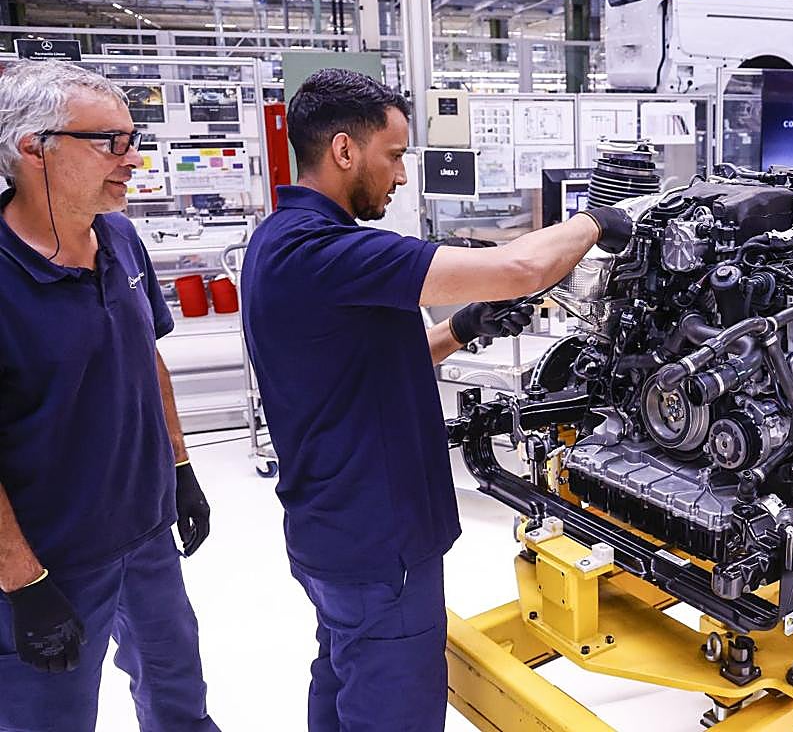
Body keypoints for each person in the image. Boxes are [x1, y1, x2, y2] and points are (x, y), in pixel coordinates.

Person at [240, 68, 633, 732]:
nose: (398, 176)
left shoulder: (277, 242)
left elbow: (362, 366)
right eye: (393, 155)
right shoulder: (327, 251)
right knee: (395, 709)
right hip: (379, 544)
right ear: (343, 151)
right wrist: (597, 219)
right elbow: (521, 268)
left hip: (334, 532)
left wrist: (463, 328)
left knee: (341, 674)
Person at [0, 62, 218, 731]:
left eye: (133, 138)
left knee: (178, 694)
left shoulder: (119, 237)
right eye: (109, 142)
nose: (133, 158)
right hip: (50, 560)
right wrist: (22, 581)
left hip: (145, 530)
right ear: (32, 146)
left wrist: (180, 470)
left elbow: (143, 354)